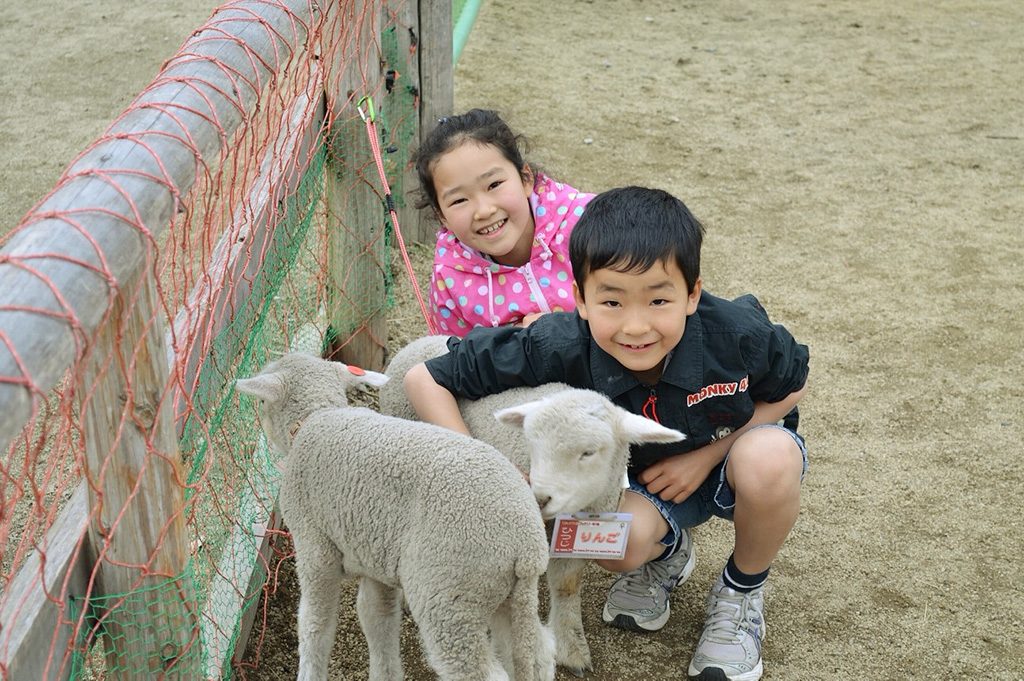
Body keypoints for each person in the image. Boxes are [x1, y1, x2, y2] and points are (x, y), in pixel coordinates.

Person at [403, 186, 810, 681]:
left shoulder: (738, 333)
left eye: (659, 299)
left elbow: (791, 386)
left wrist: (705, 458)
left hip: (733, 455)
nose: (635, 326)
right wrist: (482, 468)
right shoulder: (558, 342)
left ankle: (741, 592)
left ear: (692, 294)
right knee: (610, 545)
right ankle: (666, 552)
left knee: (769, 459)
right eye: (611, 301)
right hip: (643, 482)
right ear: (580, 298)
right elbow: (425, 379)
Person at [413, 109, 593, 336]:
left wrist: (561, 329)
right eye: (459, 200)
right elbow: (456, 362)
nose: (484, 211)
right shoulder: (449, 283)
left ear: (526, 178)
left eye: (494, 184)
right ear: (442, 217)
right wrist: (516, 345)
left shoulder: (587, 224)